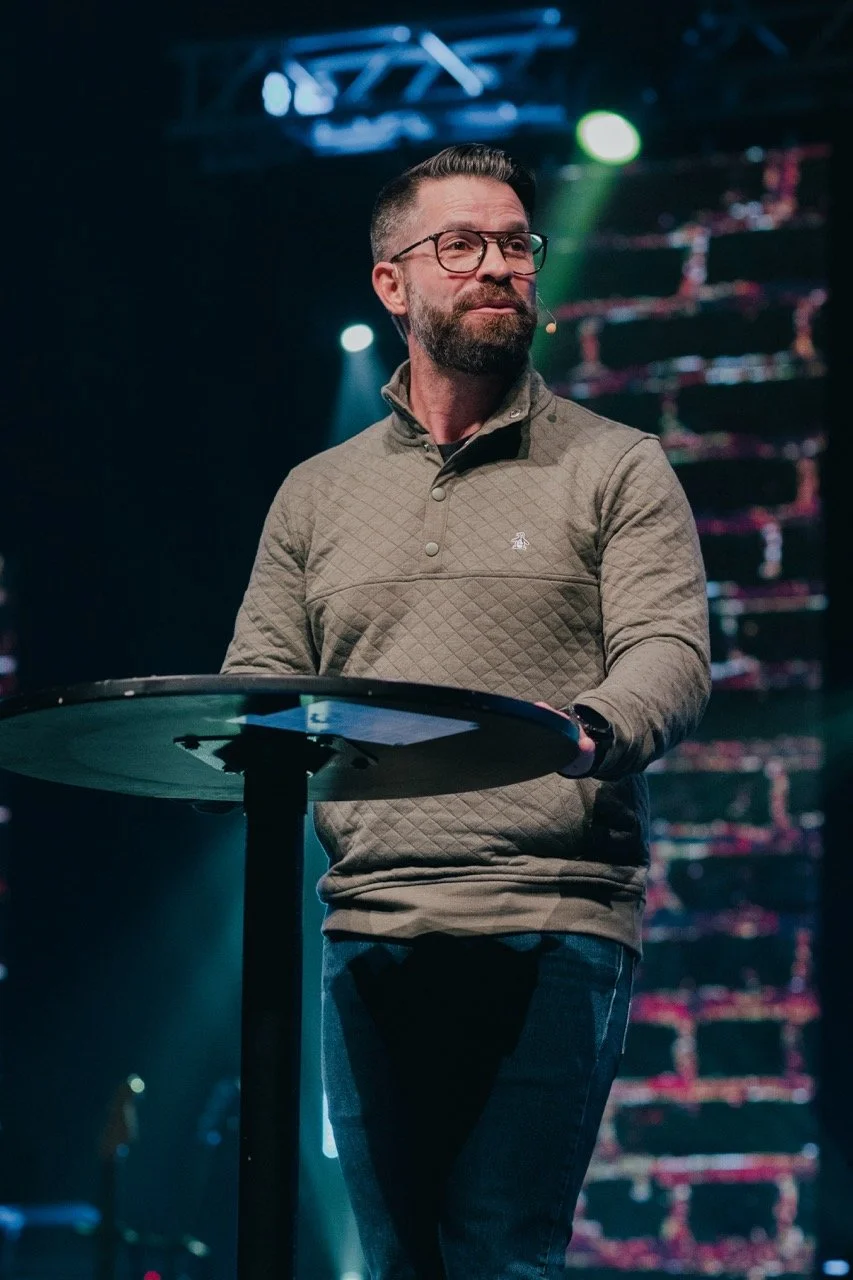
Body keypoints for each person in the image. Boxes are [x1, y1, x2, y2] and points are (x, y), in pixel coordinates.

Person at [222, 144, 711, 1279]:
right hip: (372, 924)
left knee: (498, 1253)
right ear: (391, 282)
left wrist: (583, 725)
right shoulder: (318, 491)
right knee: (396, 1262)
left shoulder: (616, 467)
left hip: (548, 915)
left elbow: (670, 654)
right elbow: (261, 682)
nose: (498, 266)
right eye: (462, 245)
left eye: (514, 245)